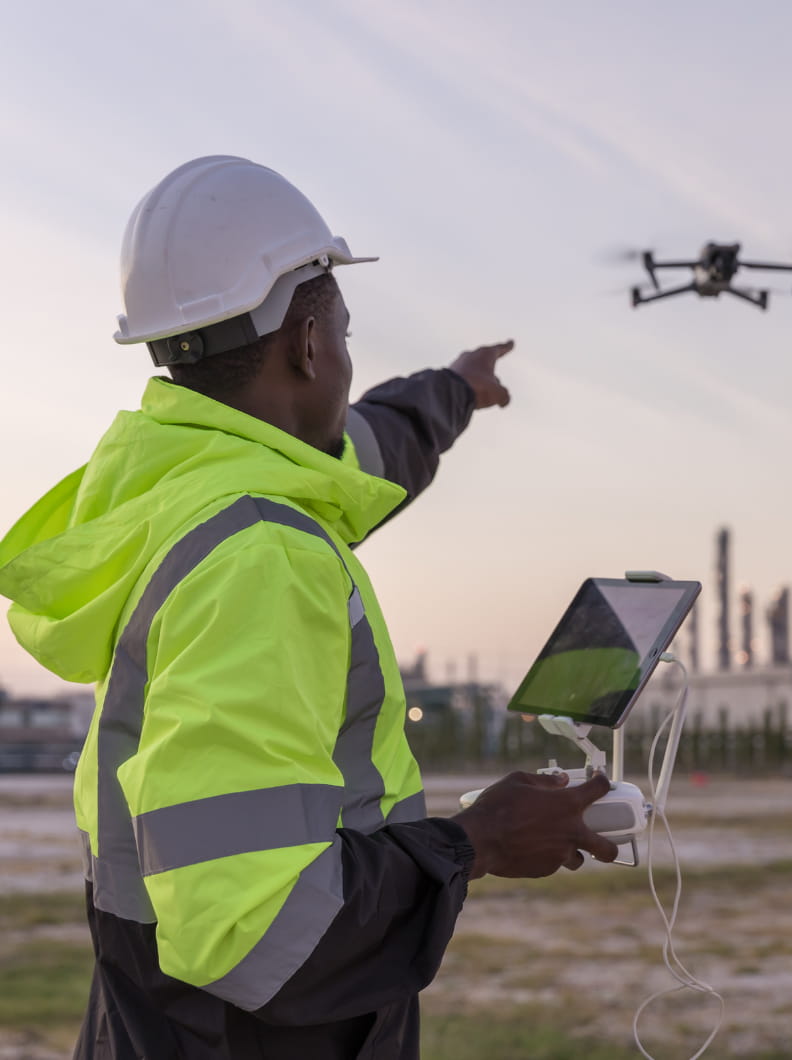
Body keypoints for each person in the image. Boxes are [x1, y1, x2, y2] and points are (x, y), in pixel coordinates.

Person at [0, 155, 618, 1060]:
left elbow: (367, 451)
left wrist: (456, 388)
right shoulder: (261, 554)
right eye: (345, 332)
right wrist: (475, 842)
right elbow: (254, 926)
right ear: (309, 344)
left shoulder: (177, 484)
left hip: (155, 1026)